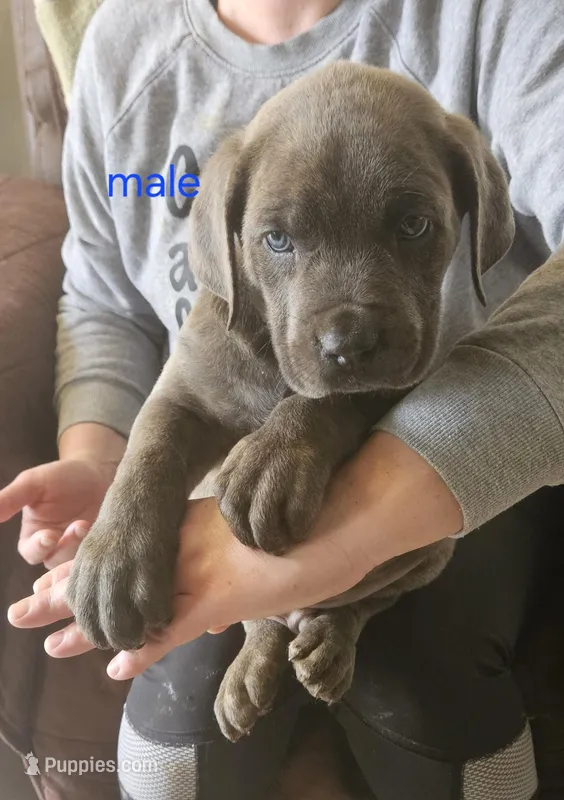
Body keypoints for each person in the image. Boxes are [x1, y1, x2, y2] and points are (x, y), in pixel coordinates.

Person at [1, 0, 564, 798]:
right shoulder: (126, 45)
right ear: (230, 249)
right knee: (175, 739)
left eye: (411, 227)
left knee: (426, 695)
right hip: (224, 483)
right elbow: (103, 300)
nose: (346, 332)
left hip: (467, 460)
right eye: (280, 240)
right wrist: (103, 459)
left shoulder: (498, 16)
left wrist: (347, 492)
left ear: (472, 217)